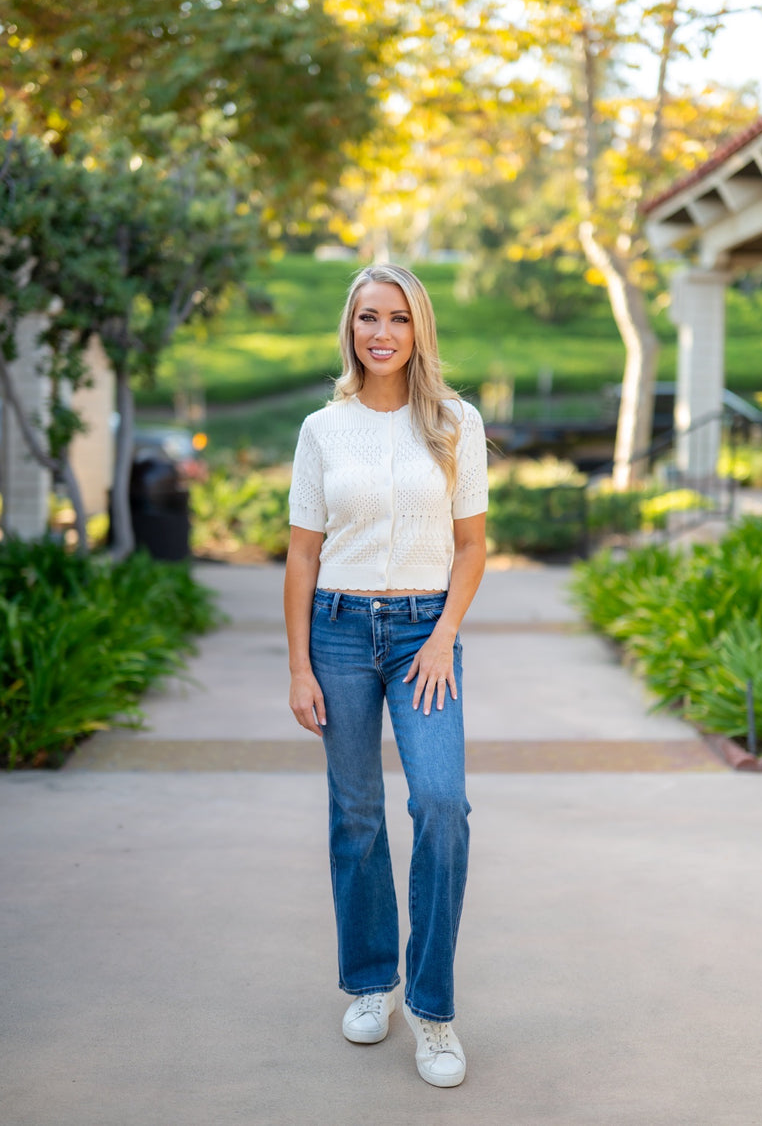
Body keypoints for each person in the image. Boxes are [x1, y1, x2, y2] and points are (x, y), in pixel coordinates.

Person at [283, 263, 488, 1089]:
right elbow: (301, 553)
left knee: (441, 804)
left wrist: (443, 636)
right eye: (368, 317)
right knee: (357, 816)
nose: (381, 333)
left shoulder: (453, 422)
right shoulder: (322, 429)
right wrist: (299, 664)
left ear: (418, 330)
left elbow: (471, 546)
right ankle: (371, 985)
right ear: (351, 328)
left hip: (420, 637)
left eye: (398, 319)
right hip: (336, 629)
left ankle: (433, 1010)